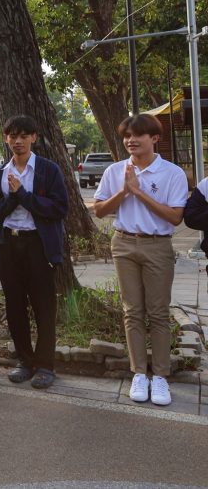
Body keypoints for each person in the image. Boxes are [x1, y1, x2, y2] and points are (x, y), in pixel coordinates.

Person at [95, 114, 187, 406]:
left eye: (138, 135)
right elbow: (99, 210)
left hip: (157, 245)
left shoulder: (172, 173)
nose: (131, 141)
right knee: (132, 311)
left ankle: (160, 375)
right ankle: (138, 373)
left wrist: (138, 191)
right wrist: (124, 191)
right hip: (123, 243)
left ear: (154, 138)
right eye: (127, 136)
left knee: (158, 312)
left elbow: (175, 216)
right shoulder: (115, 170)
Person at [0, 115, 68, 390]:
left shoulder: (47, 170)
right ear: (6, 138)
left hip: (38, 245)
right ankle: (24, 360)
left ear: (34, 138)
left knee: (44, 306)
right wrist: (13, 198)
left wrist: (24, 196)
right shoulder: (1, 172)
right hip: (9, 244)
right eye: (12, 136)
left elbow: (59, 208)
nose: (17, 141)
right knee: (14, 305)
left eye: (23, 136)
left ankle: (45, 365)